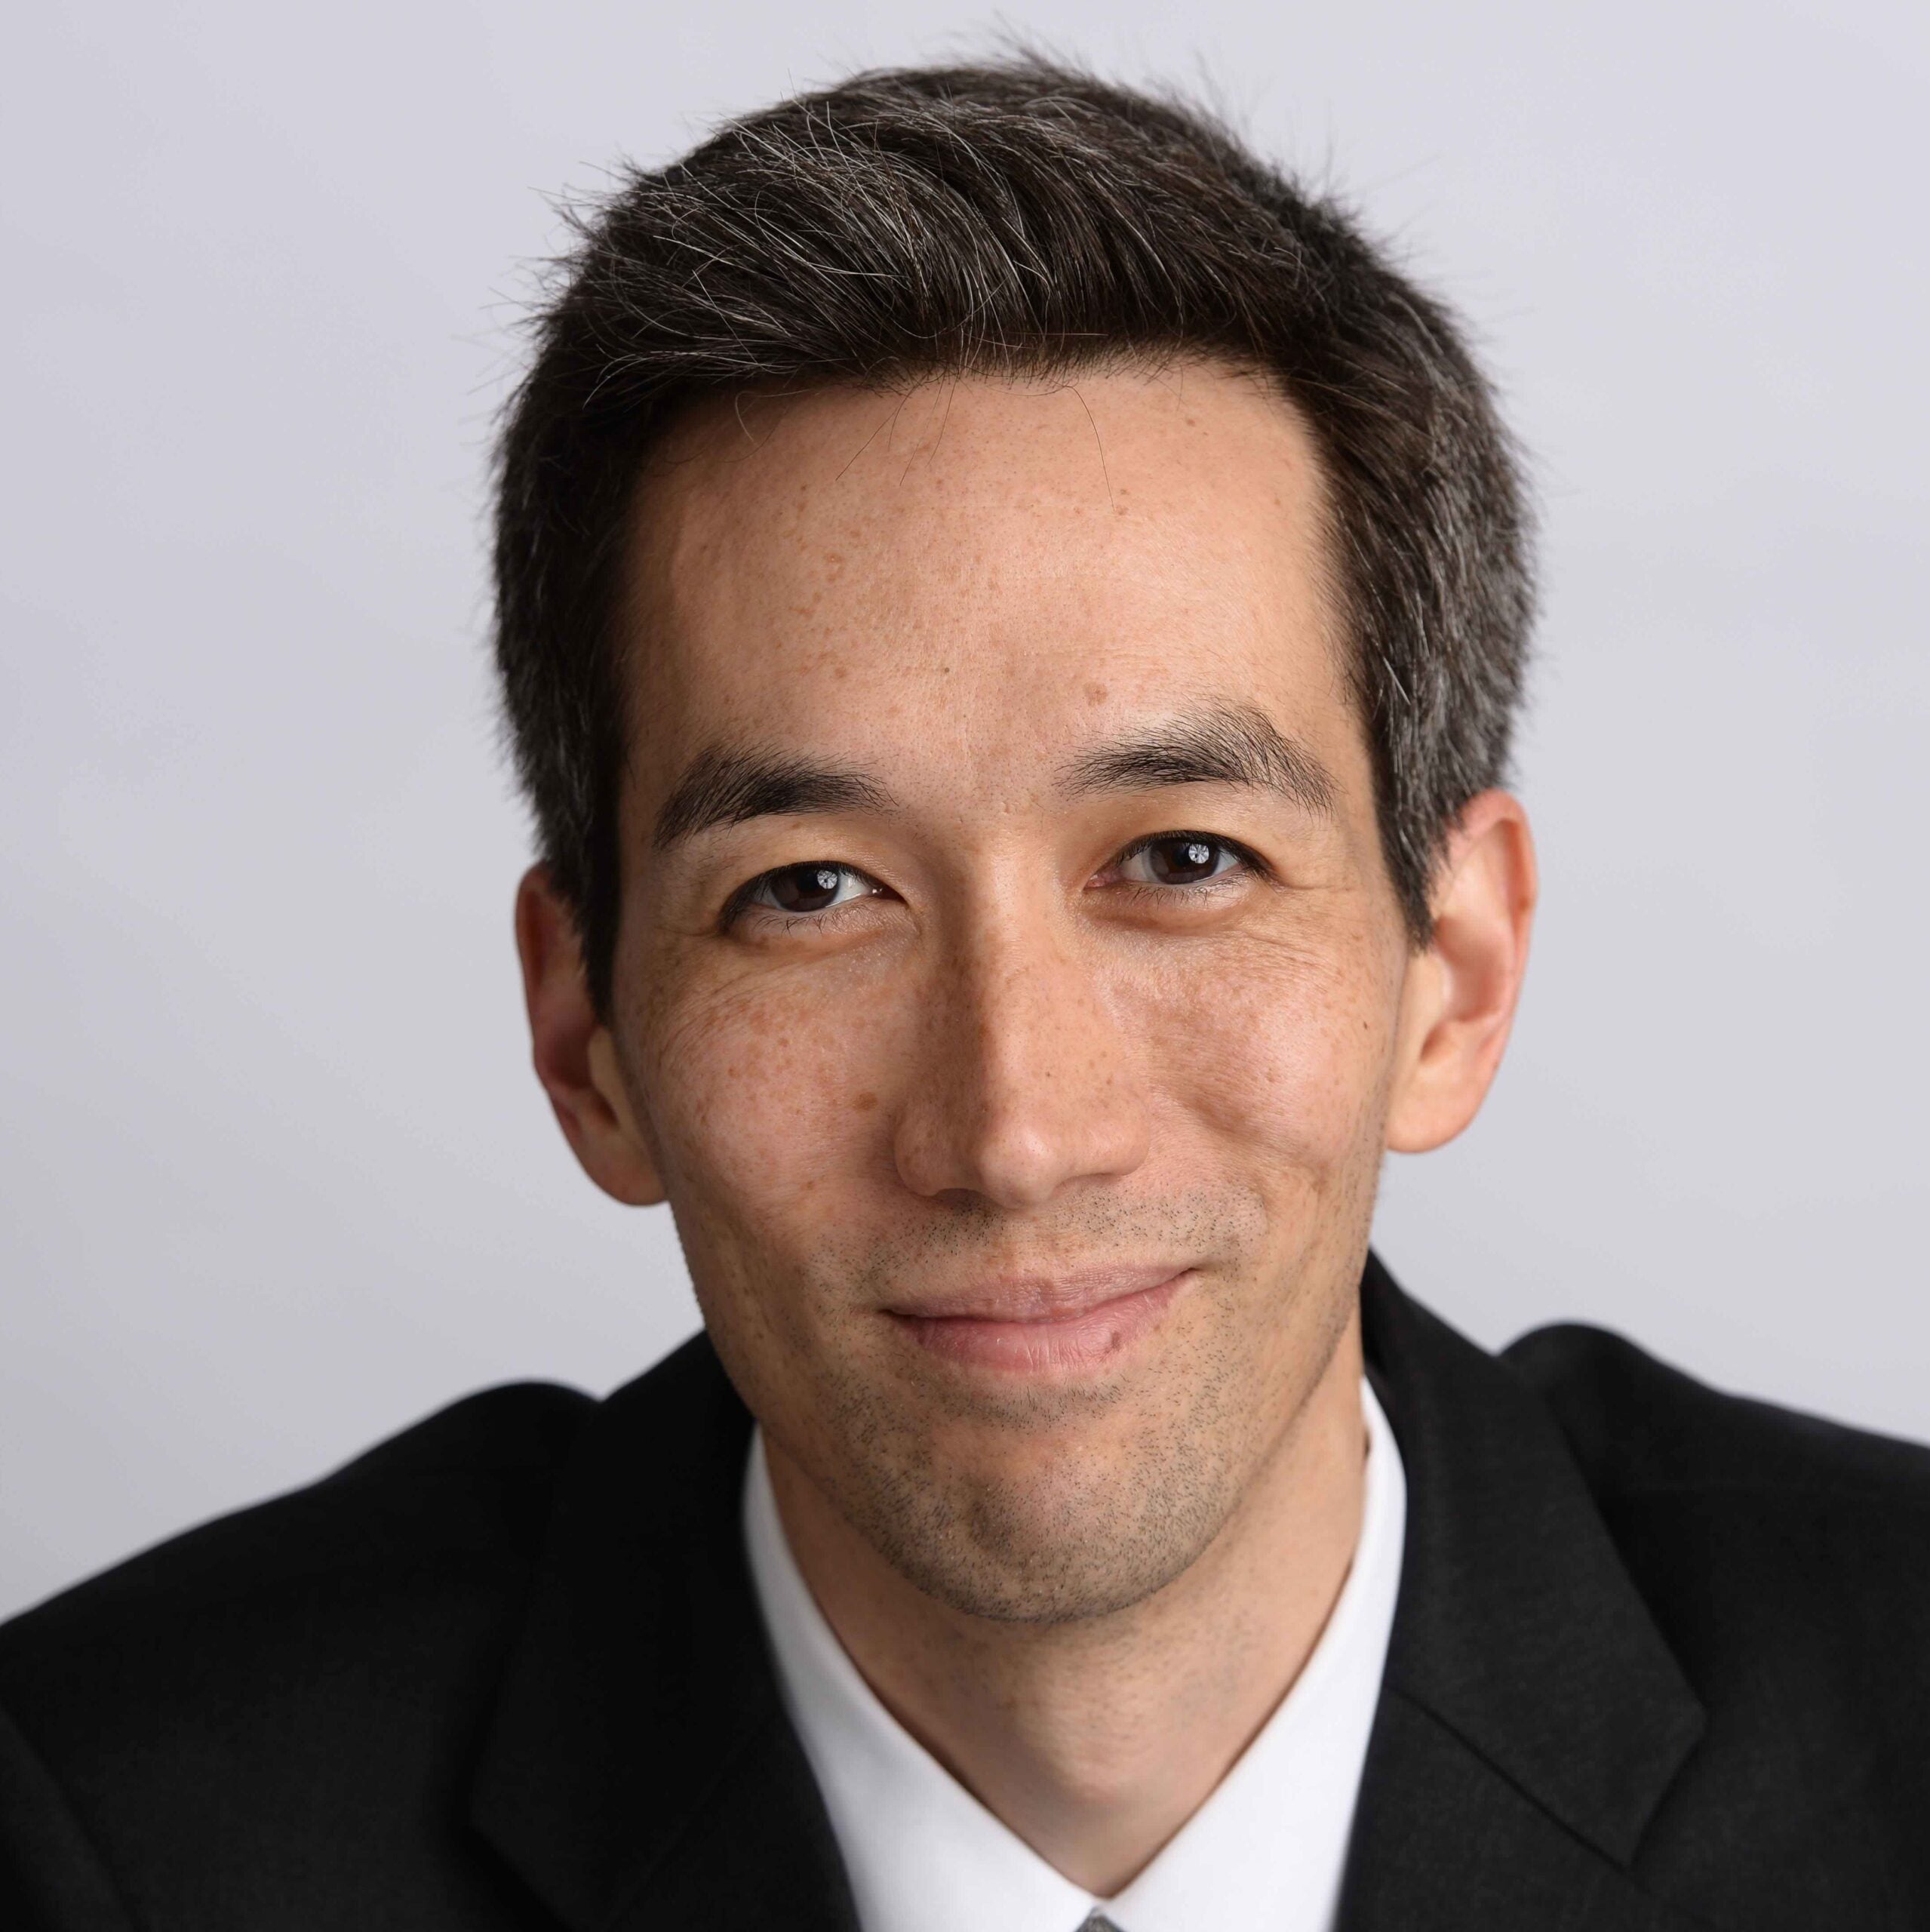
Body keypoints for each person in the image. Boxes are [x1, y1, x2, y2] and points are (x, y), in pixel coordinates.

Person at [2, 57, 1925, 1932]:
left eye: (1184, 859)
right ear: (587, 1038)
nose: (1014, 1128)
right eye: (810, 890)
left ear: (1458, 973)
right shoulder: (116, 1842)